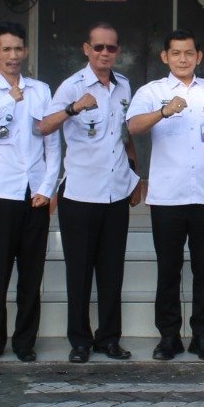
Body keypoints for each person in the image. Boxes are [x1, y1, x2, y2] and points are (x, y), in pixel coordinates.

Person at [127, 29, 204, 362]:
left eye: (189, 53)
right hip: (168, 198)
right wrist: (163, 112)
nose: (183, 59)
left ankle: (203, 337)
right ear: (165, 57)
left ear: (198, 56)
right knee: (168, 269)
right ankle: (169, 337)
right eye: (176, 53)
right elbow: (133, 126)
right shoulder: (152, 92)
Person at [38, 22, 144, 363]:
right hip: (81, 195)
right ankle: (80, 341)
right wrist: (73, 108)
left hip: (116, 192)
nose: (104, 53)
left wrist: (135, 174)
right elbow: (44, 126)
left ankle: (109, 339)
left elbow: (124, 134)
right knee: (80, 272)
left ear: (118, 51)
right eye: (98, 47)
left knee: (112, 271)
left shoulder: (124, 85)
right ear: (87, 49)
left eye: (111, 47)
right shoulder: (72, 86)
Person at [0, 21, 59, 363]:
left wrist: (48, 187)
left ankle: (24, 342)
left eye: (18, 48)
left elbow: (53, 144)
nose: (13, 55)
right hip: (0, 194)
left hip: (34, 195)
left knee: (31, 275)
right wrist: (6, 101)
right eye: (6, 49)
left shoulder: (41, 90)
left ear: (26, 51)